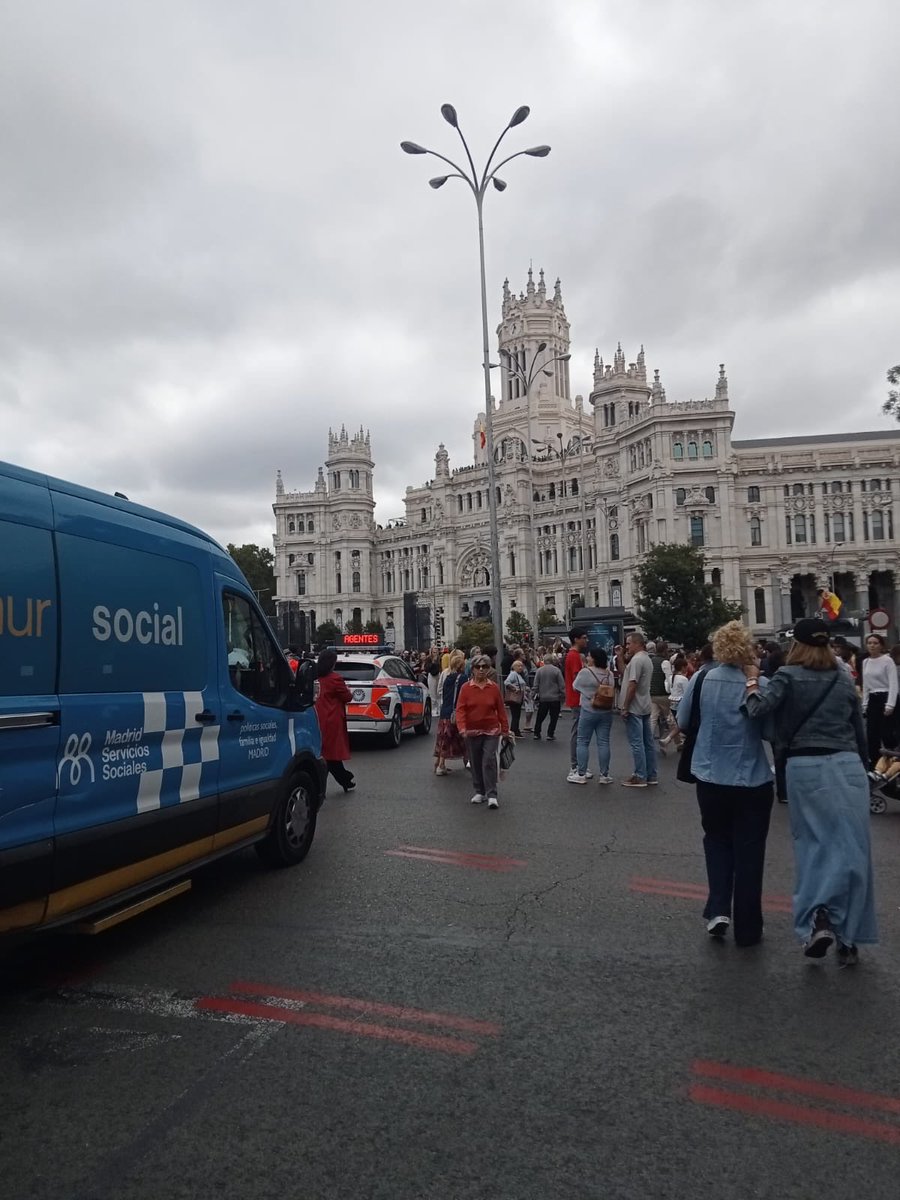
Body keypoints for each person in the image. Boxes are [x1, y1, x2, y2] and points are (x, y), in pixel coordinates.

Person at [743, 617, 875, 964]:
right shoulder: (844, 678)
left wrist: (752, 681)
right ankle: (850, 937)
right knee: (853, 850)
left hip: (806, 765)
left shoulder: (787, 676)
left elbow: (757, 710)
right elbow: (859, 731)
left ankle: (820, 918)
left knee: (815, 846)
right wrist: (865, 768)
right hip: (848, 766)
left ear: (797, 645)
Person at [676, 622, 774, 946]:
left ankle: (718, 909)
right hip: (752, 778)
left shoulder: (702, 678)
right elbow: (769, 730)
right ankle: (749, 927)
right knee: (750, 852)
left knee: (716, 841)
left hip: (710, 773)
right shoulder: (759, 683)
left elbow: (683, 721)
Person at [456, 654, 510, 810]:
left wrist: (505, 729)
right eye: (477, 667)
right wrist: (462, 727)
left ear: (488, 669)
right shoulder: (466, 688)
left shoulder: (493, 687)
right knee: (475, 762)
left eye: (484, 667)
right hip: (471, 731)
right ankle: (479, 791)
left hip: (491, 730)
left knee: (488, 761)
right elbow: (460, 710)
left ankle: (492, 794)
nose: (481, 670)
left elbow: (501, 710)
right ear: (472, 669)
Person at [569, 645, 616, 785]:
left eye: (589, 656)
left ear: (594, 658)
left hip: (589, 709)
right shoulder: (609, 674)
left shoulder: (586, 672)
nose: (587, 658)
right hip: (606, 711)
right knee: (604, 742)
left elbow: (575, 686)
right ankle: (604, 775)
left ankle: (581, 773)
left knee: (582, 741)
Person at [314, 649, 355, 793]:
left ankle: (344, 779)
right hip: (332, 719)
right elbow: (347, 697)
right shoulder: (335, 679)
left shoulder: (315, 677)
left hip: (317, 717)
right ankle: (342, 779)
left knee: (324, 752)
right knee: (330, 755)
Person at [620, 632, 656, 787]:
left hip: (634, 706)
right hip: (645, 704)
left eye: (629, 643)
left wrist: (625, 706)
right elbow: (627, 674)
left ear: (637, 643)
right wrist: (620, 657)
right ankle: (651, 774)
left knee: (637, 743)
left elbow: (632, 684)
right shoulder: (646, 659)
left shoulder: (636, 660)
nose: (626, 646)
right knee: (648, 742)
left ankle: (639, 775)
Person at [861, 633, 896, 767]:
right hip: (873, 699)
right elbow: (866, 684)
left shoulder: (887, 661)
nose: (872, 646)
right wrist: (865, 703)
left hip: (886, 697)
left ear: (881, 645)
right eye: (869, 643)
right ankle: (874, 763)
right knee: (872, 734)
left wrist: (890, 704)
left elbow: (893, 683)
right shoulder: (866, 662)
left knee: (887, 734)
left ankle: (892, 763)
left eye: (875, 643)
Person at [565, 630, 589, 774]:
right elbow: (577, 678)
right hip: (577, 698)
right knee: (578, 733)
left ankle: (579, 764)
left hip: (576, 698)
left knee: (580, 733)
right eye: (584, 638)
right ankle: (575, 765)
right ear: (576, 639)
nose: (587, 640)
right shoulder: (574, 656)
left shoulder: (573, 655)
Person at [659, 653, 689, 751]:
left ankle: (668, 740)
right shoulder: (683, 679)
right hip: (681, 703)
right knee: (681, 724)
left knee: (677, 725)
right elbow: (687, 693)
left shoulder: (672, 677)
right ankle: (668, 740)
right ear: (683, 667)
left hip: (672, 703)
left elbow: (668, 689)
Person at [533, 654, 566, 740]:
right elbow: (561, 684)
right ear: (552, 660)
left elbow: (536, 685)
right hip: (555, 697)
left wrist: (533, 694)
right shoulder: (557, 671)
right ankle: (550, 734)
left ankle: (537, 732)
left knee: (540, 716)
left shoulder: (539, 671)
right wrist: (562, 695)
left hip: (543, 697)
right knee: (554, 717)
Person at [503, 658, 528, 736]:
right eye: (518, 666)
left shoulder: (518, 675)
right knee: (515, 715)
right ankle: (515, 731)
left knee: (517, 715)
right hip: (515, 697)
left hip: (519, 697)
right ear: (514, 667)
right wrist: (514, 688)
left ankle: (515, 729)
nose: (520, 667)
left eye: (521, 666)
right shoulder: (513, 674)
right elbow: (506, 682)